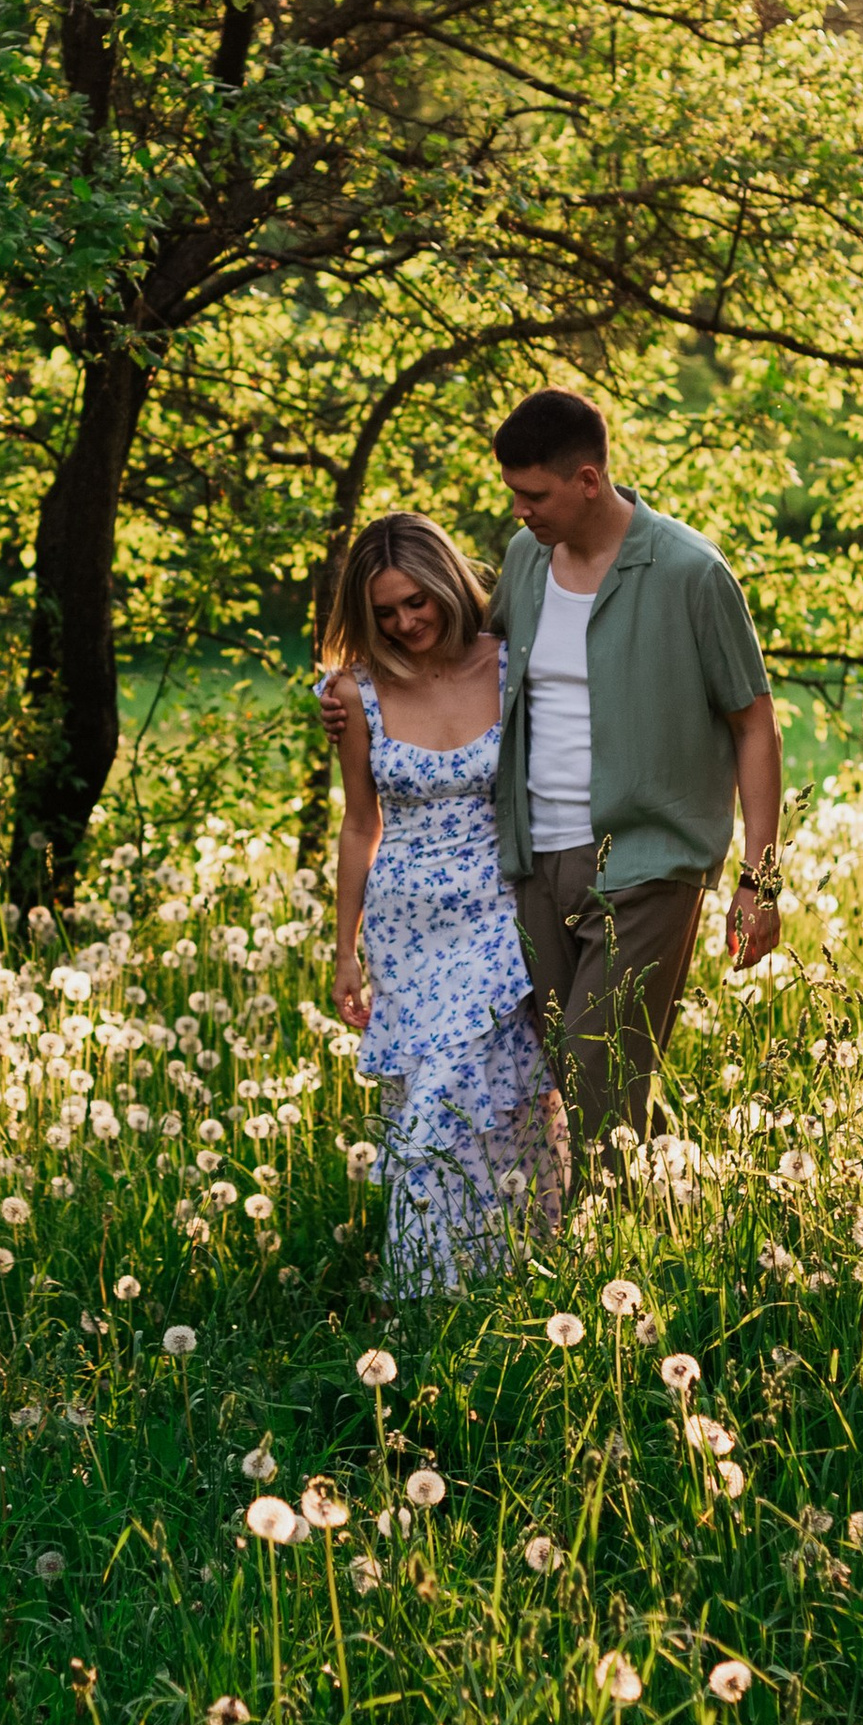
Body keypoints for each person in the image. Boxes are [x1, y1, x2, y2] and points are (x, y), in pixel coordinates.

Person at [319, 387, 782, 1166]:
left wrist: (760, 880)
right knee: (577, 1073)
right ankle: (671, 1206)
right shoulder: (527, 561)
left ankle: (600, 1261)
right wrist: (358, 694)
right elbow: (461, 661)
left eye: (533, 494)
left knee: (603, 1072)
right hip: (532, 863)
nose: (520, 511)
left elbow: (754, 725)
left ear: (588, 481)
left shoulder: (690, 574)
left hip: (648, 863)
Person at [323, 513, 563, 1295]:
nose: (405, 622)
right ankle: (435, 1310)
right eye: (385, 612)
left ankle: (514, 1281)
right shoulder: (354, 692)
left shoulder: (508, 666)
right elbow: (362, 822)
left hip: (501, 918)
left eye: (415, 602)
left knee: (489, 1111)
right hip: (407, 931)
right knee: (425, 1117)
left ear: (447, 584)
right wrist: (343, 952)